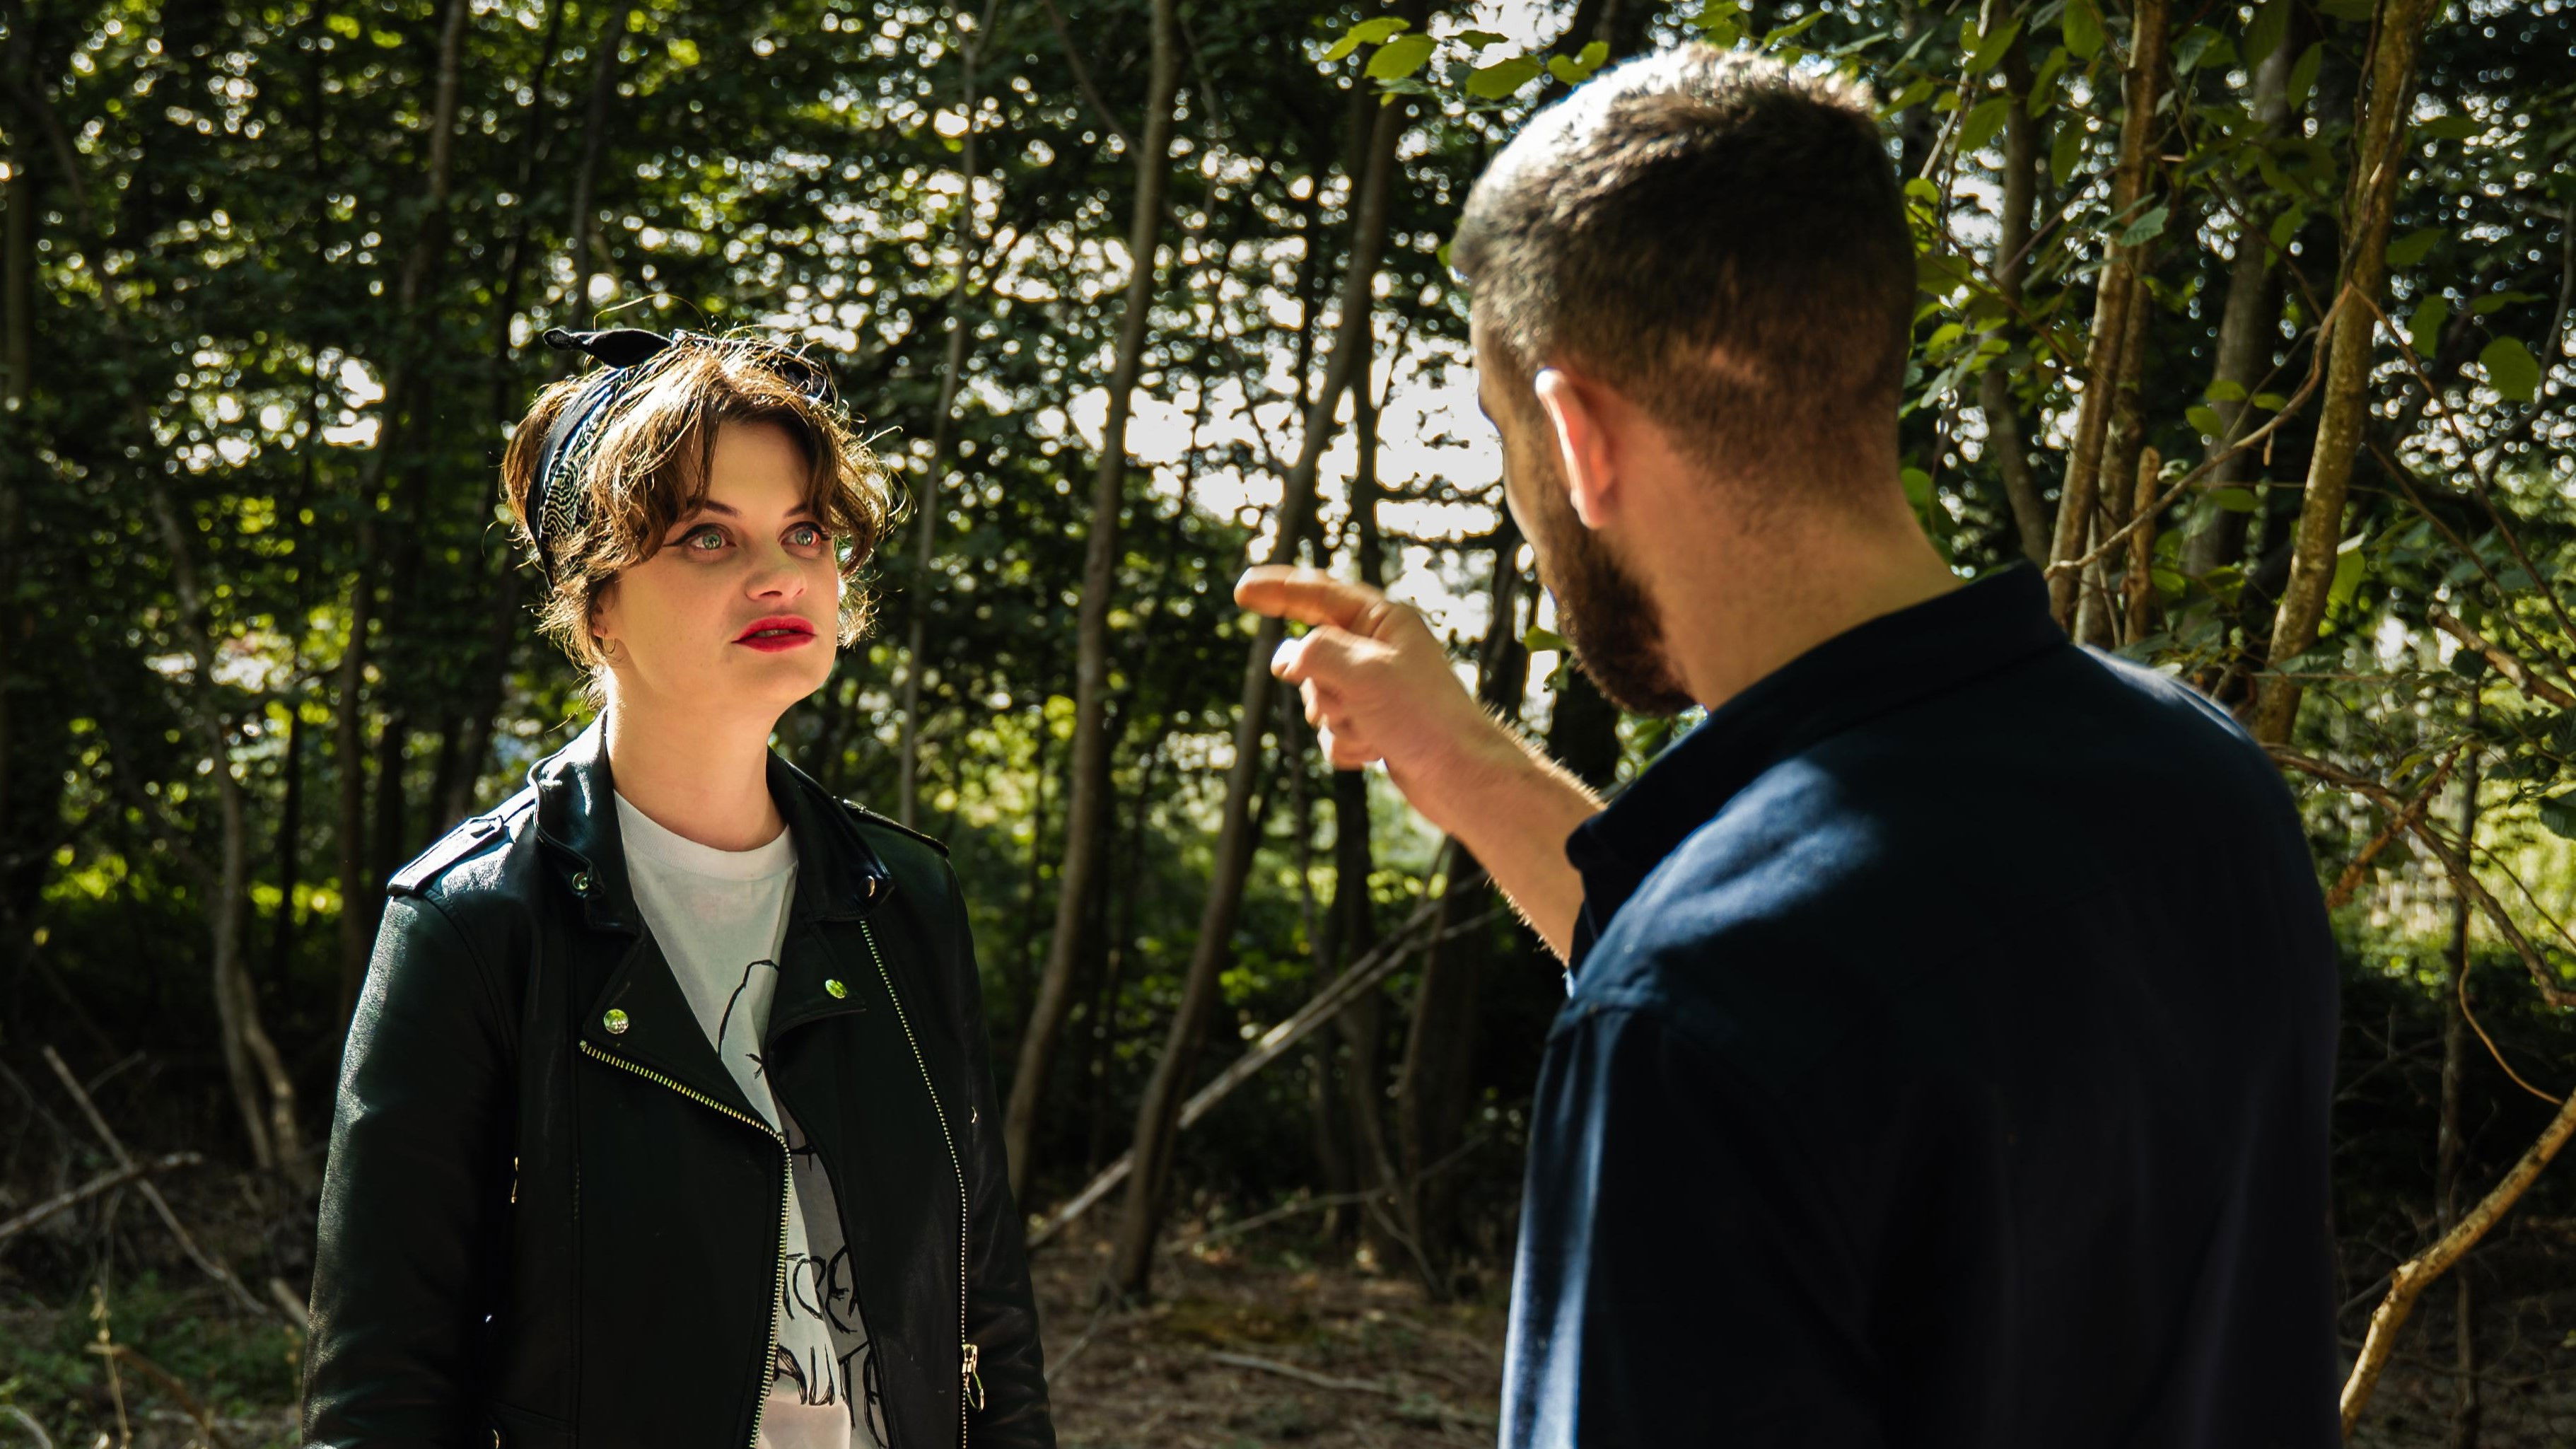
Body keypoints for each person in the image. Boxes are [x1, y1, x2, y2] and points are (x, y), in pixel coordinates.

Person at [1238, 45, 2338, 1446]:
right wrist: (1464, 765)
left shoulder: (1691, 1021)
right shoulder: (2207, 785)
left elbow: (1759, 1006)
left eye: (1506, 431)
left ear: (1578, 435)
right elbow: (1849, 1008)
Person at [301, 327, 1054, 1449]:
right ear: (595, 602)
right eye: (708, 536)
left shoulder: (904, 898)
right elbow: (380, 1393)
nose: (780, 573)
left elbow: (983, 1305)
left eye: (806, 531)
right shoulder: (474, 920)